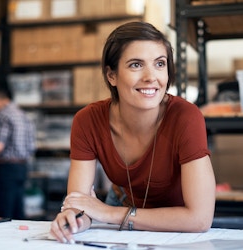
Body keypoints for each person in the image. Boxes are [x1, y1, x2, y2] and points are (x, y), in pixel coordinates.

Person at [50, 21, 216, 244]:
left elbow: (199, 220)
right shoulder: (87, 121)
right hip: (122, 207)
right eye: (136, 65)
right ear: (112, 76)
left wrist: (107, 213)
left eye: (159, 63)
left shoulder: (186, 117)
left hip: (175, 226)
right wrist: (73, 218)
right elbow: (82, 204)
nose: (151, 76)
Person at [0, 89, 36, 219]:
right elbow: (32, 145)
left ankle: (2, 239)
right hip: (22, 167)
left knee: (3, 213)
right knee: (18, 212)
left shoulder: (3, 115)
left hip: (7, 168)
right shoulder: (24, 115)